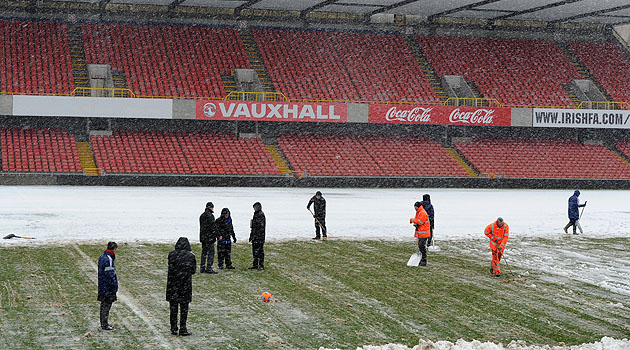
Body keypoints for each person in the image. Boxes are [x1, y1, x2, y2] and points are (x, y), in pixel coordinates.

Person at [166, 237, 196, 336]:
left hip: (173, 285)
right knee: (184, 308)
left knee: (173, 308)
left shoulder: (172, 255)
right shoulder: (191, 256)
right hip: (185, 285)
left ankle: (173, 328)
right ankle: (183, 328)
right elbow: (193, 271)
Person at [97, 241, 118, 331]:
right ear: (114, 249)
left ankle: (103, 323)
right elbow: (110, 273)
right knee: (106, 305)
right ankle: (105, 324)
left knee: (103, 305)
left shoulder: (102, 257)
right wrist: (114, 285)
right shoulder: (108, 259)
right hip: (107, 288)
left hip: (102, 286)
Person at [199, 202, 218, 274]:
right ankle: (209, 267)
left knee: (204, 252)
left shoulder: (202, 216)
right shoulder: (210, 216)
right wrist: (218, 235)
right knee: (211, 252)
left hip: (203, 237)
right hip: (210, 237)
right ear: (211, 207)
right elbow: (213, 227)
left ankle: (202, 267)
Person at [410, 201, 431, 266]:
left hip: (424, 234)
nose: (414, 208)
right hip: (420, 233)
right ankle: (422, 259)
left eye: (415, 207)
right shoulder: (419, 212)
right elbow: (418, 221)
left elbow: (420, 221)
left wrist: (412, 220)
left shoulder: (422, 213)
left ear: (417, 207)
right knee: (420, 246)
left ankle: (423, 260)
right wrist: (415, 224)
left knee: (421, 246)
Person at [248, 202, 266, 270]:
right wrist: (251, 235)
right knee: (255, 251)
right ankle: (255, 264)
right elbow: (253, 227)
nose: (254, 209)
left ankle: (261, 265)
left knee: (260, 251)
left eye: (255, 207)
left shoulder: (261, 215)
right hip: (255, 236)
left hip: (259, 237)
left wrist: (258, 236)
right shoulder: (256, 214)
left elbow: (260, 227)